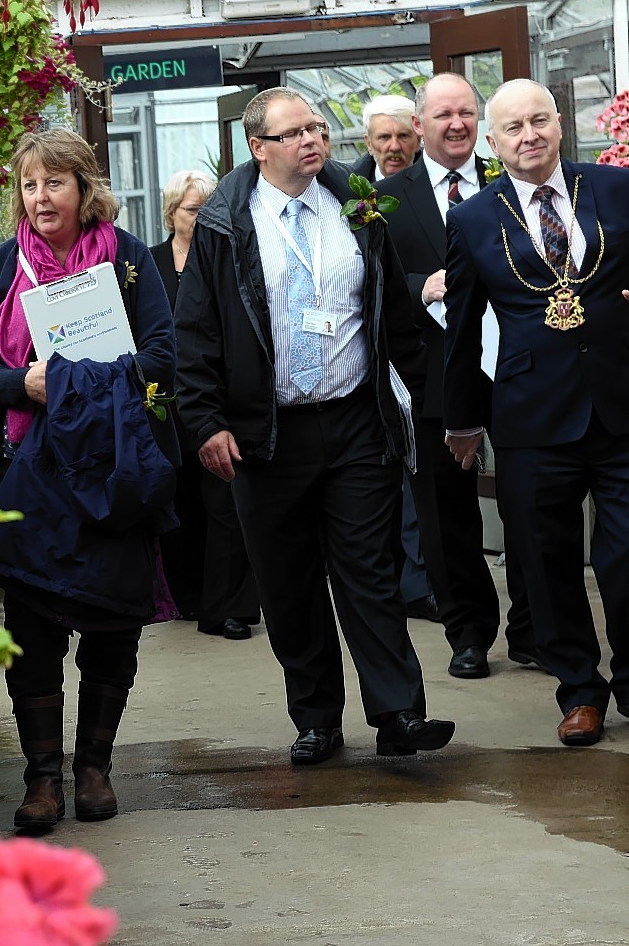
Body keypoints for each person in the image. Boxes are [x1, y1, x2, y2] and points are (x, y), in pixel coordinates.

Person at [174, 86, 456, 766]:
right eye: (295, 131)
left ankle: (399, 713)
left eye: (318, 127)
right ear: (258, 148)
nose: (313, 140)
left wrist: (419, 399)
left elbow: (388, 306)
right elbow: (196, 331)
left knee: (369, 572)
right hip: (267, 434)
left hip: (356, 419)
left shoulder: (356, 202)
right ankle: (317, 718)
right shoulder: (222, 223)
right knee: (288, 582)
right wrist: (206, 420)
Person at [0, 128, 176, 831]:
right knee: (34, 629)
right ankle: (42, 781)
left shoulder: (129, 260)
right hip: (29, 472)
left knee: (114, 626)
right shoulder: (1, 266)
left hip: (112, 470)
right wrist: (26, 383)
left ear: (86, 190)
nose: (40, 196)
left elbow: (164, 352)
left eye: (54, 182)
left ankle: (94, 771)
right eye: (29, 184)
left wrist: (88, 382)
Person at [443, 78, 629, 747]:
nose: (529, 136)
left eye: (539, 122)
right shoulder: (472, 219)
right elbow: (461, 328)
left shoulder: (615, 188)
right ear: (494, 143)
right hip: (528, 414)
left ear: (559, 125)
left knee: (624, 555)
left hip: (620, 401)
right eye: (514, 128)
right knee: (547, 565)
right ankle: (580, 690)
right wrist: (461, 420)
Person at [377, 71, 539, 680]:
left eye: (467, 113)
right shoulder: (393, 197)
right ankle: (467, 632)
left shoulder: (511, 183)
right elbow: (379, 287)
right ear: (420, 126)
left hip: (519, 372)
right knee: (446, 517)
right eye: (443, 114)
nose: (456, 125)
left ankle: (532, 629)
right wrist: (423, 287)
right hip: (433, 376)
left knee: (530, 504)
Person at [153, 169, 260, 642]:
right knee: (179, 504)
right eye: (192, 210)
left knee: (225, 505)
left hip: (217, 400)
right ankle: (186, 596)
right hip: (164, 404)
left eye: (206, 209)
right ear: (172, 213)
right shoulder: (149, 264)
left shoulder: (226, 256)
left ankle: (230, 607)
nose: (200, 218)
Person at [350, 95, 418, 181]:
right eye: (384, 137)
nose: (395, 147)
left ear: (418, 141)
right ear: (369, 144)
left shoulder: (436, 178)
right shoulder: (347, 188)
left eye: (403, 136)